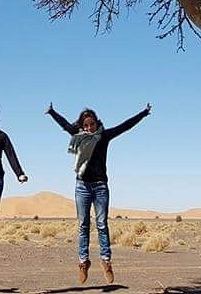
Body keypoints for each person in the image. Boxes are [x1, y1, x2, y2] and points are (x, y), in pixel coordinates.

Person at [46, 102, 151, 284]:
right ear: (81, 126)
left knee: (101, 224)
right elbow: (64, 124)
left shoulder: (104, 136)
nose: (88, 128)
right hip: (82, 187)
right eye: (85, 125)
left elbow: (125, 126)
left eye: (91, 124)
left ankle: (106, 261)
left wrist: (143, 113)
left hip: (100, 186)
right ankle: (83, 262)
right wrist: (52, 112)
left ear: (96, 123)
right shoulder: (78, 135)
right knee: (83, 225)